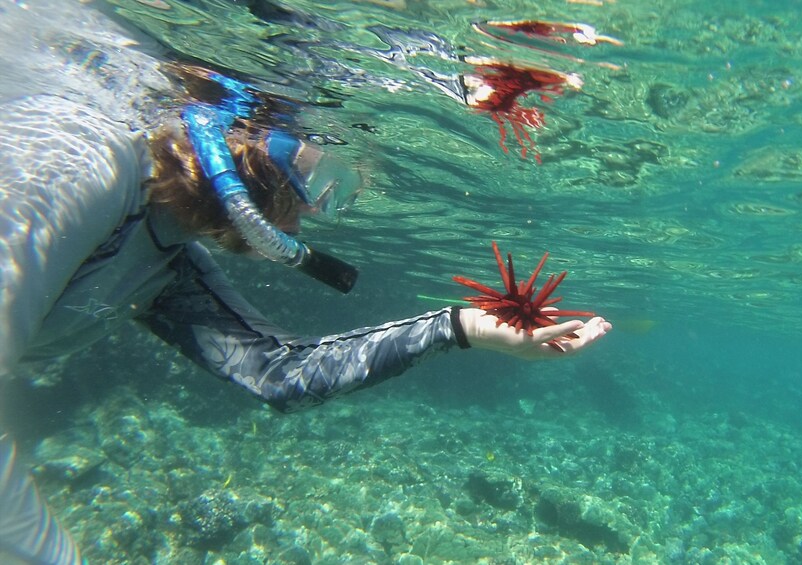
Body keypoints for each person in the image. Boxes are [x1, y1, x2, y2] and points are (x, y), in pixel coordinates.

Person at [0, 1, 611, 563]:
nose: (315, 214)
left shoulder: (163, 254)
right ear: (263, 139)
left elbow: (279, 375)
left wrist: (461, 328)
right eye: (328, 185)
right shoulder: (82, 161)